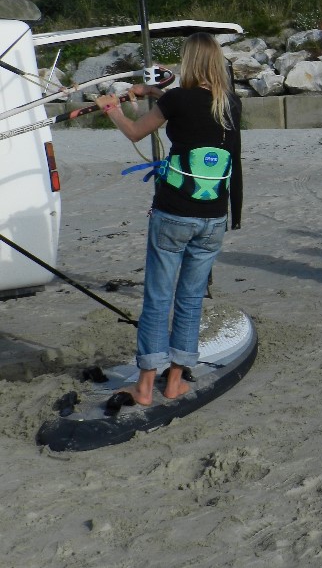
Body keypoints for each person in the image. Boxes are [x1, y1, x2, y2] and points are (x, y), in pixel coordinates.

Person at [94, 32, 242, 404]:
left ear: (189, 62)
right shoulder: (230, 103)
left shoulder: (177, 99)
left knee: (159, 298)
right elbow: (189, 105)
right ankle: (174, 381)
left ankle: (145, 387)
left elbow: (135, 131)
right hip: (213, 218)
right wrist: (150, 92)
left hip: (174, 215)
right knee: (190, 300)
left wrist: (113, 109)